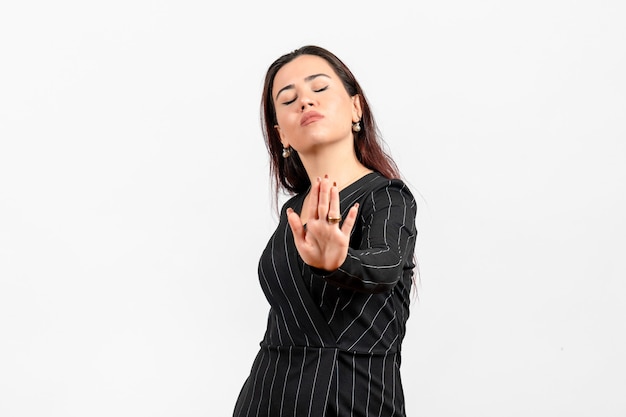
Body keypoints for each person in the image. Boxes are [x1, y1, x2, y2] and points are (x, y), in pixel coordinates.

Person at [233, 45, 418, 417]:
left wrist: (338, 262)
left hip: (352, 399)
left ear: (355, 107)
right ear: (280, 133)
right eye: (288, 99)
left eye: (319, 89)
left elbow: (385, 264)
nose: (304, 102)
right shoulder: (292, 212)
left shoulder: (388, 197)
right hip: (267, 396)